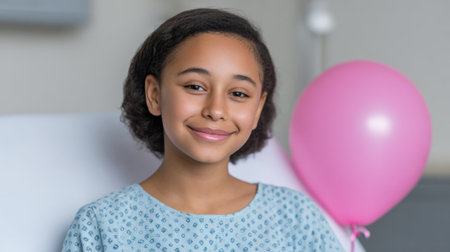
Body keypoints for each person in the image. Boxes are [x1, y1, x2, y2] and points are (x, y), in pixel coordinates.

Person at [62, 8, 344, 252]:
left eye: (238, 93)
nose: (216, 110)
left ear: (258, 108)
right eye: (195, 87)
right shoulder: (102, 226)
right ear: (155, 94)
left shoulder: (295, 217)